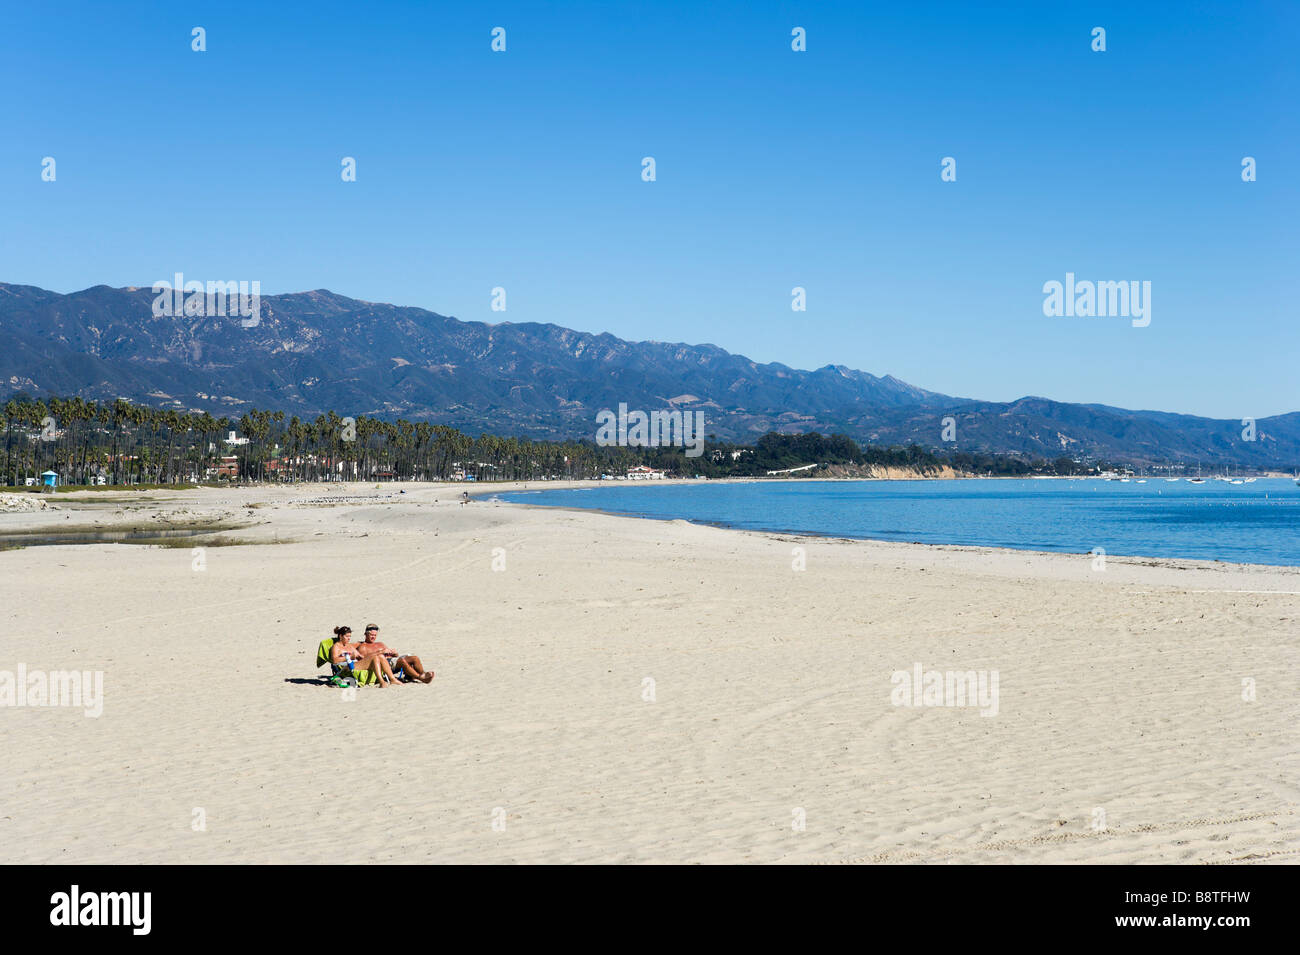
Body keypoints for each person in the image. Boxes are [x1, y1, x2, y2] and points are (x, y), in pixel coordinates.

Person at [353, 624, 434, 684]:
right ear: (365, 634)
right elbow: (364, 660)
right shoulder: (363, 647)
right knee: (401, 661)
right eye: (371, 635)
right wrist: (380, 652)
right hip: (383, 664)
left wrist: (394, 654)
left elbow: (392, 656)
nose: (373, 637)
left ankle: (422, 673)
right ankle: (421, 678)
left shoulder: (380, 644)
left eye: (375, 635)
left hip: (391, 660)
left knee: (414, 658)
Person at [329, 625, 401, 687]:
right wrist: (349, 657)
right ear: (341, 636)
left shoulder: (349, 646)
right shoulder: (336, 647)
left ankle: (391, 680)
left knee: (379, 657)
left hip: (355, 664)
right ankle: (382, 682)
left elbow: (360, 656)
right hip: (346, 667)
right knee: (376, 656)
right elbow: (334, 660)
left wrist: (359, 656)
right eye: (347, 636)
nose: (349, 638)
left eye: (350, 636)